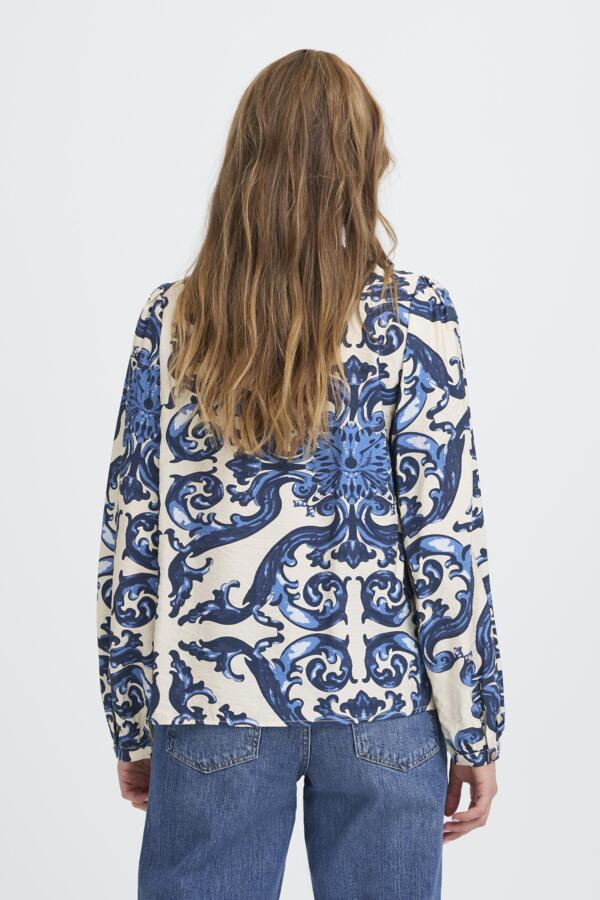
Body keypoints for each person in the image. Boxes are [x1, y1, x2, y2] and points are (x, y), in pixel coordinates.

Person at [96, 49, 505, 900]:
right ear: (361, 163)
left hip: (213, 699)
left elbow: (131, 534)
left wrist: (132, 714)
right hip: (384, 700)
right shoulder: (413, 317)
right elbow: (446, 538)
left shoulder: (174, 320)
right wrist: (474, 724)